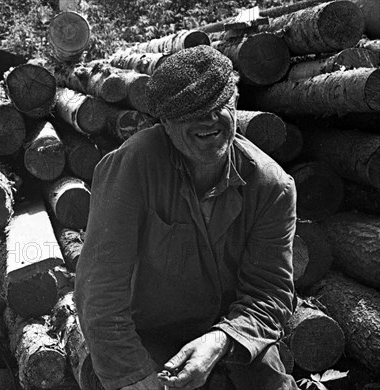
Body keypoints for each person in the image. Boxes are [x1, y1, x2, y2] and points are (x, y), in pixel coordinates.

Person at [75, 45, 299, 390]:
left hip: (232, 337)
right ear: (164, 122)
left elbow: (269, 293)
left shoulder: (271, 186)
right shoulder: (132, 167)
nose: (208, 120)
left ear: (235, 103)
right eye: (191, 113)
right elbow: (100, 292)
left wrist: (220, 340)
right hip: (144, 335)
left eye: (217, 107)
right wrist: (134, 377)